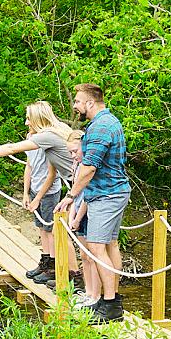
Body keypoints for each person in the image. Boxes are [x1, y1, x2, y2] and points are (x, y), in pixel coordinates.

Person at [0, 100, 79, 283]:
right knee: (59, 231)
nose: (26, 123)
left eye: (28, 119)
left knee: (60, 232)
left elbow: (12, 148)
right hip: (76, 184)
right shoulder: (60, 128)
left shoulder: (48, 135)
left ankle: (71, 276)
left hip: (80, 186)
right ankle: (65, 273)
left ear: (38, 119)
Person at [55, 83, 131, 322]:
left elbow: (89, 168)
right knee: (109, 246)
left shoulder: (100, 127)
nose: (75, 105)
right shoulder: (108, 122)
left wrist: (70, 197)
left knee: (97, 247)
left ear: (90, 103)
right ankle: (108, 298)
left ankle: (110, 305)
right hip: (111, 192)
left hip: (106, 195)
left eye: (77, 101)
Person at [64, 130, 101, 307]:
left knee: (92, 256)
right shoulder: (76, 165)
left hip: (87, 213)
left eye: (75, 151)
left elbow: (86, 195)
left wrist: (77, 218)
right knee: (84, 256)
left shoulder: (88, 167)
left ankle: (96, 295)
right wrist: (71, 215)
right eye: (70, 152)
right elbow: (74, 192)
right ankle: (88, 291)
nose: (73, 155)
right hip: (77, 211)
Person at [22, 127, 61, 282]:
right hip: (35, 187)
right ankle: (45, 262)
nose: (26, 122)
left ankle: (53, 266)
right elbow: (29, 166)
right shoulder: (30, 137)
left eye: (28, 119)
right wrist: (26, 192)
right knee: (41, 227)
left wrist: (38, 197)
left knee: (50, 229)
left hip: (49, 192)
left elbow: (52, 175)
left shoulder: (49, 140)